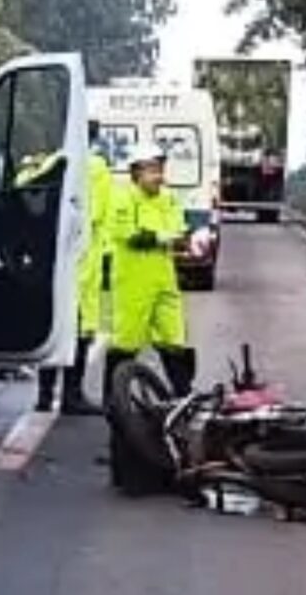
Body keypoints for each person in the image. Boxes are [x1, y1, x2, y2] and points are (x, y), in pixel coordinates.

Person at [39, 123, 115, 415]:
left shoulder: (53, 161)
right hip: (84, 261)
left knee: (54, 325)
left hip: (54, 260)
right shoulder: (96, 167)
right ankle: (72, 395)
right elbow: (98, 214)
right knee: (80, 332)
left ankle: (45, 396)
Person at [108, 144, 196, 395]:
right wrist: (164, 237)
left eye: (160, 169)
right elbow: (128, 235)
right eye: (152, 170)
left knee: (174, 340)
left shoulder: (167, 199)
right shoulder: (122, 197)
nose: (159, 176)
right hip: (132, 283)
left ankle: (183, 396)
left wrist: (183, 238)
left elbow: (179, 230)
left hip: (164, 281)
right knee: (125, 343)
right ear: (136, 173)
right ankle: (114, 402)